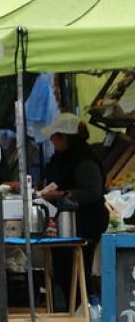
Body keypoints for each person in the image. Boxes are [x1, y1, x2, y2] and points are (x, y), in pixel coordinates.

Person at [41, 113, 108, 303]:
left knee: (76, 272)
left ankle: (81, 315)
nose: (51, 139)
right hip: (67, 223)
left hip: (86, 223)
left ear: (65, 137)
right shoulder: (62, 157)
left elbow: (92, 191)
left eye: (55, 135)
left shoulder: (84, 159)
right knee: (64, 271)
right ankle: (72, 318)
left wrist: (64, 195)